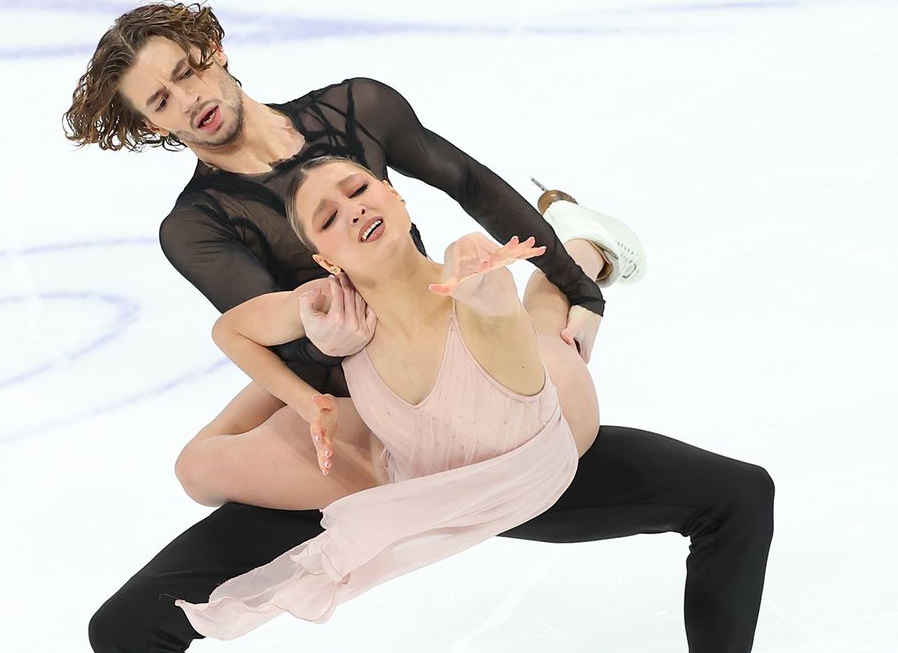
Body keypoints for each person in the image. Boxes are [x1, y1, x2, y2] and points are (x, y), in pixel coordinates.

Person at [63, 1, 774, 653]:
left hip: (468, 390)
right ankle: (582, 240)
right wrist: (315, 368)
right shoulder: (197, 225)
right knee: (129, 624)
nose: (189, 99)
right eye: (162, 100)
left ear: (214, 50)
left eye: (187, 72)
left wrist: (580, 288)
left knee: (732, 493)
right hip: (368, 435)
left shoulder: (355, 108)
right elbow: (271, 332)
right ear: (153, 125)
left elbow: (470, 184)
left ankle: (581, 246)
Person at [176, 156, 593, 638]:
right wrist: (307, 395)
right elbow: (230, 331)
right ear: (326, 261)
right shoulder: (328, 303)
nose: (352, 210)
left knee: (546, 324)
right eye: (328, 218)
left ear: (395, 196)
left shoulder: (474, 278)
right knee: (195, 470)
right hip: (411, 463)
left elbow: (492, 295)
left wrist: (477, 270)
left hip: (541, 452)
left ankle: (583, 239)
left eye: (357, 191)